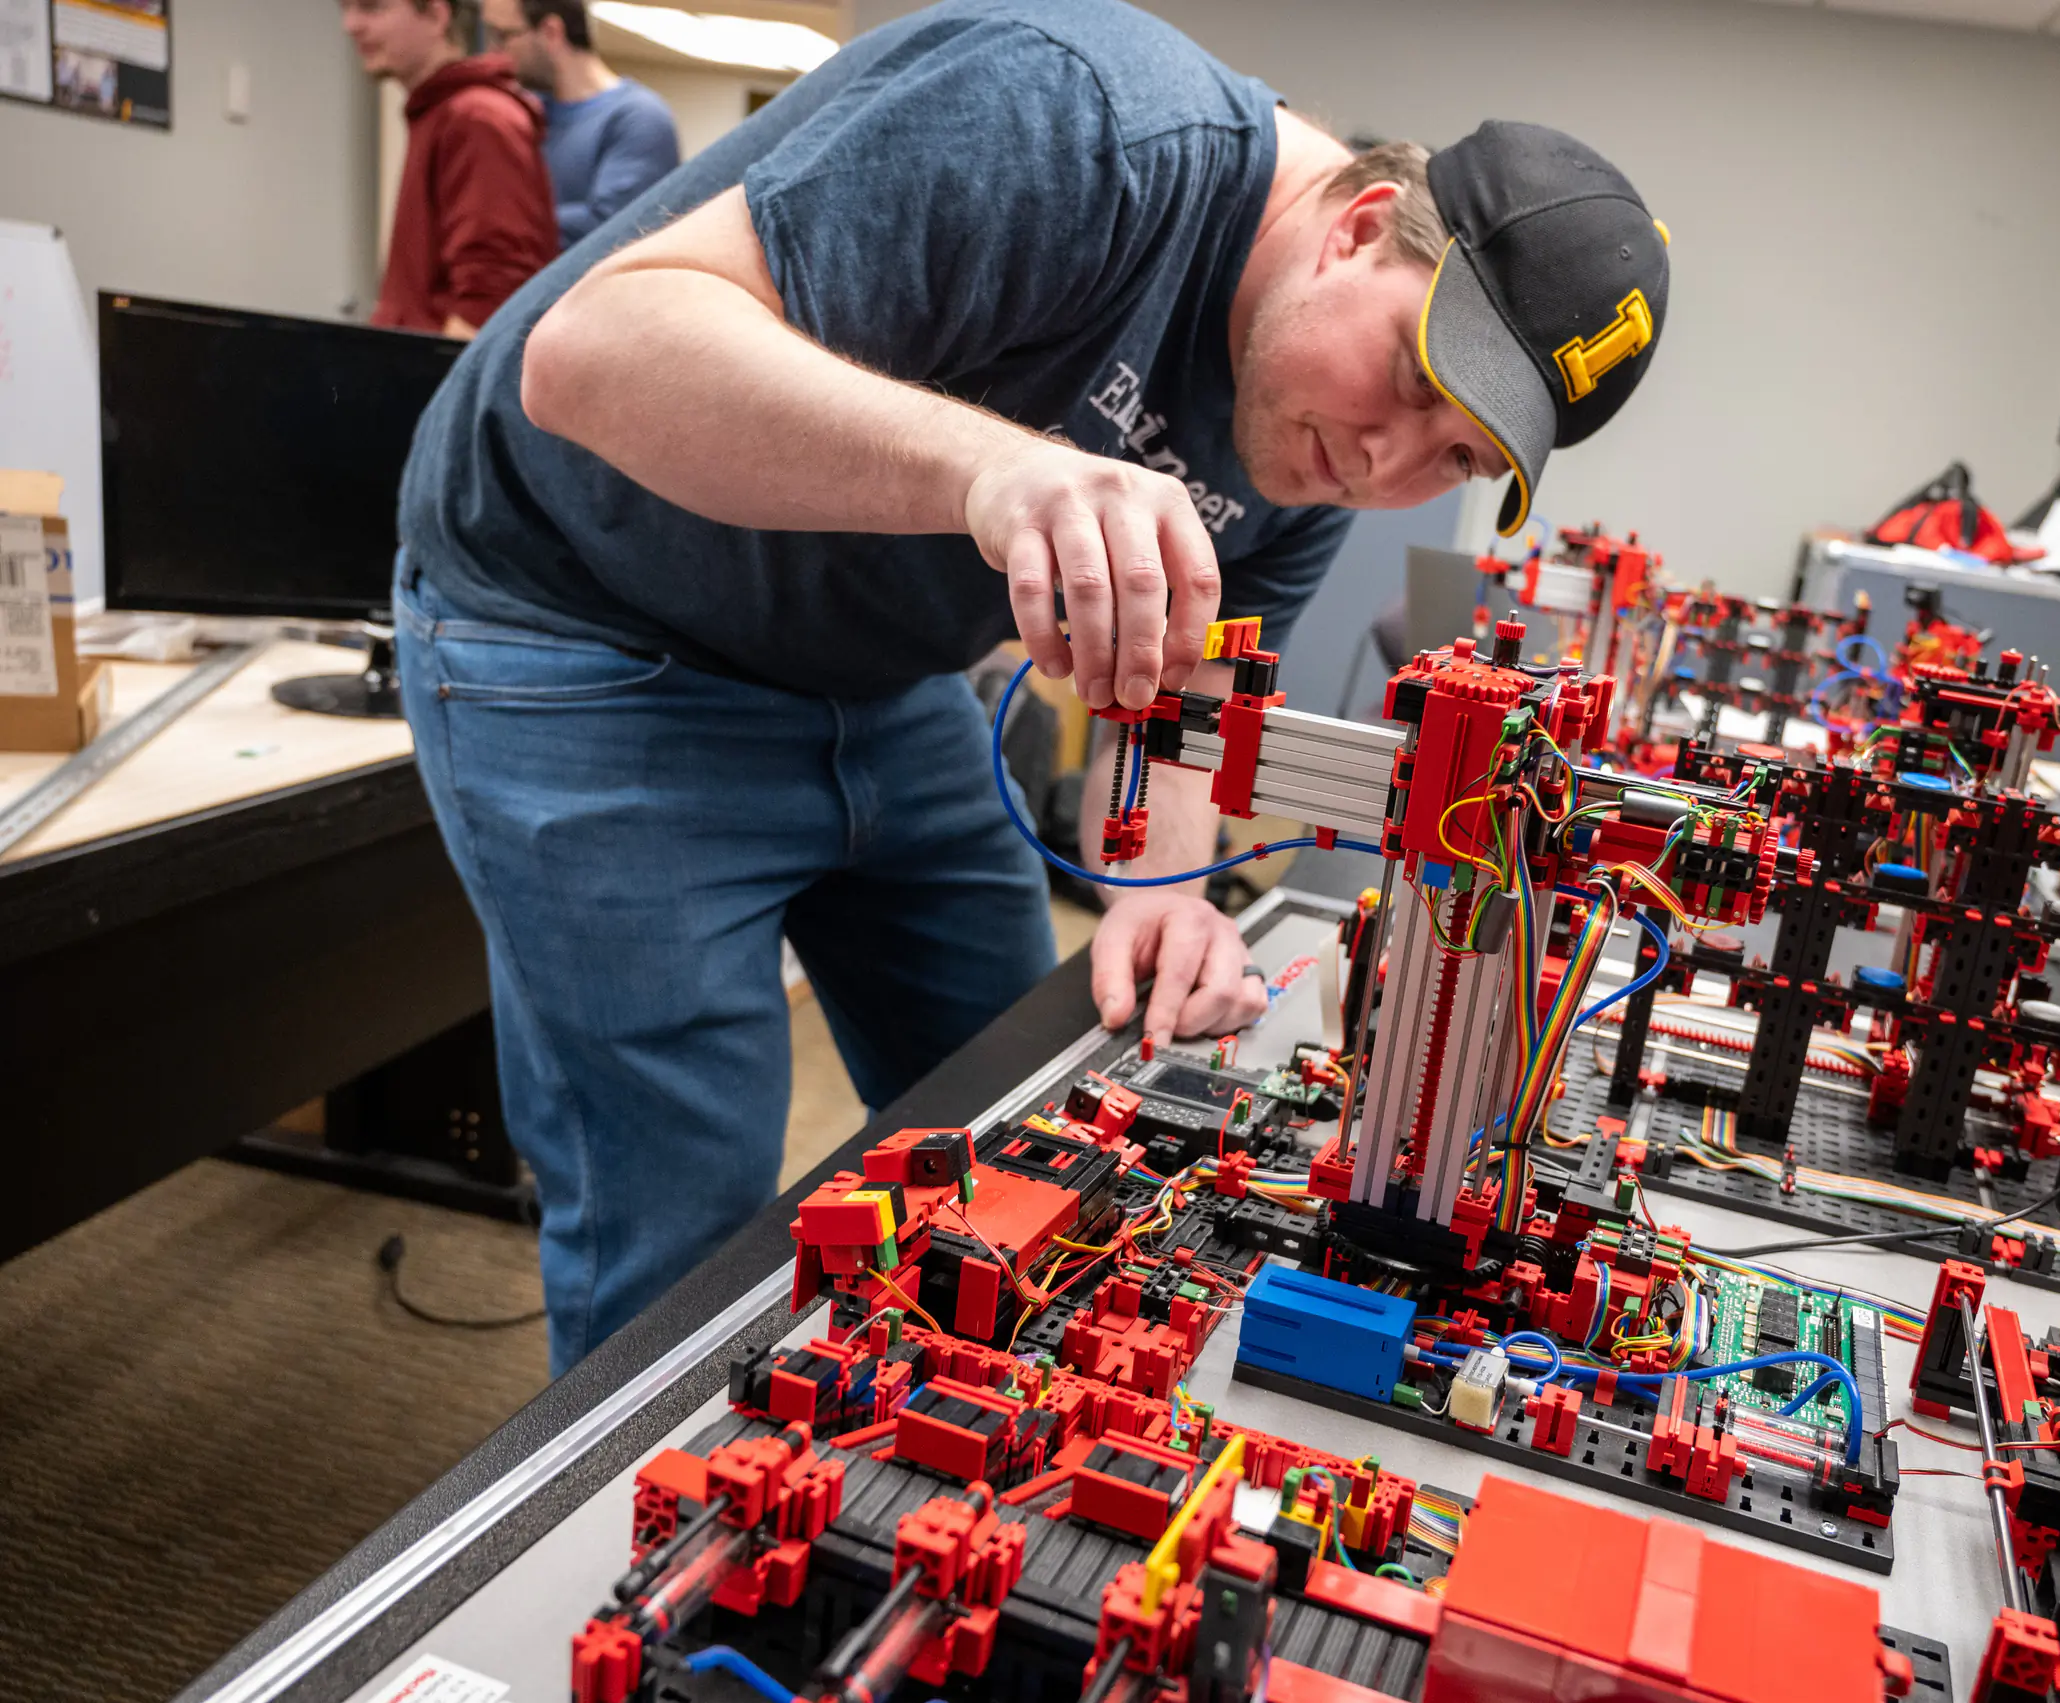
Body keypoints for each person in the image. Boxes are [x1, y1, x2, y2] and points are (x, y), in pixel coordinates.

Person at [396, 0, 1670, 1373]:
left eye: (1459, 460)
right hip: (585, 625)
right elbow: (587, 357)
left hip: (878, 675)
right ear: (1360, 222)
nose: (1386, 466)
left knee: (1028, 1104)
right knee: (687, 1222)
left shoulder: (1309, 447)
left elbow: (1178, 691)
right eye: (1418, 376)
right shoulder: (1079, 123)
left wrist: (1163, 892)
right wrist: (988, 471)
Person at [343, 0, 559, 336]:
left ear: (436, 15)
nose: (351, 24)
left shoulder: (478, 118)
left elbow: (491, 296)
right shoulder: (439, 113)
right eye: (345, 8)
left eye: (372, 7)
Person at [483, 0, 682, 247]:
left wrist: (492, 220)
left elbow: (613, 227)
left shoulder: (639, 118)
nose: (493, 52)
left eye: (503, 36)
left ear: (551, 32)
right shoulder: (529, 114)